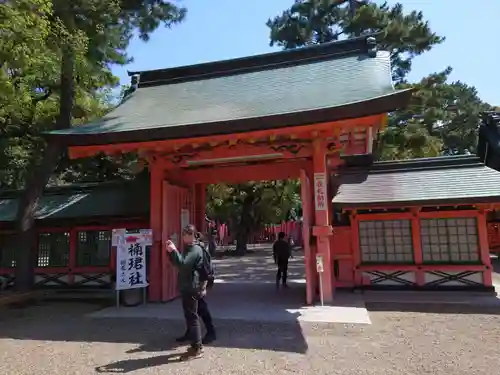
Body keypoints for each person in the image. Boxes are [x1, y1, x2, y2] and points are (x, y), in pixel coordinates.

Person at [165, 224, 216, 360]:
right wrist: (170, 252)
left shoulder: (194, 249)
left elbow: (183, 265)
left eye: (186, 234)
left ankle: (197, 347)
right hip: (191, 286)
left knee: (193, 317)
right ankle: (196, 341)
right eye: (183, 234)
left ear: (192, 236)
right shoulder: (190, 248)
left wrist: (174, 251)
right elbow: (179, 264)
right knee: (193, 314)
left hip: (192, 287)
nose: (183, 237)